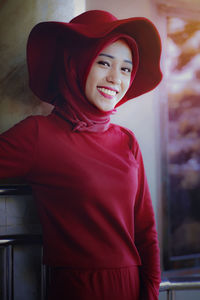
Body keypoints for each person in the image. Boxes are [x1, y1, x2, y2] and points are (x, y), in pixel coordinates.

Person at [0, 10, 162, 300]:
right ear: (75, 63)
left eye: (126, 68)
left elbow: (146, 231)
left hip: (131, 287)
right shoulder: (38, 134)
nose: (116, 78)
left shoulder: (127, 141)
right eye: (103, 62)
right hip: (75, 289)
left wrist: (150, 293)